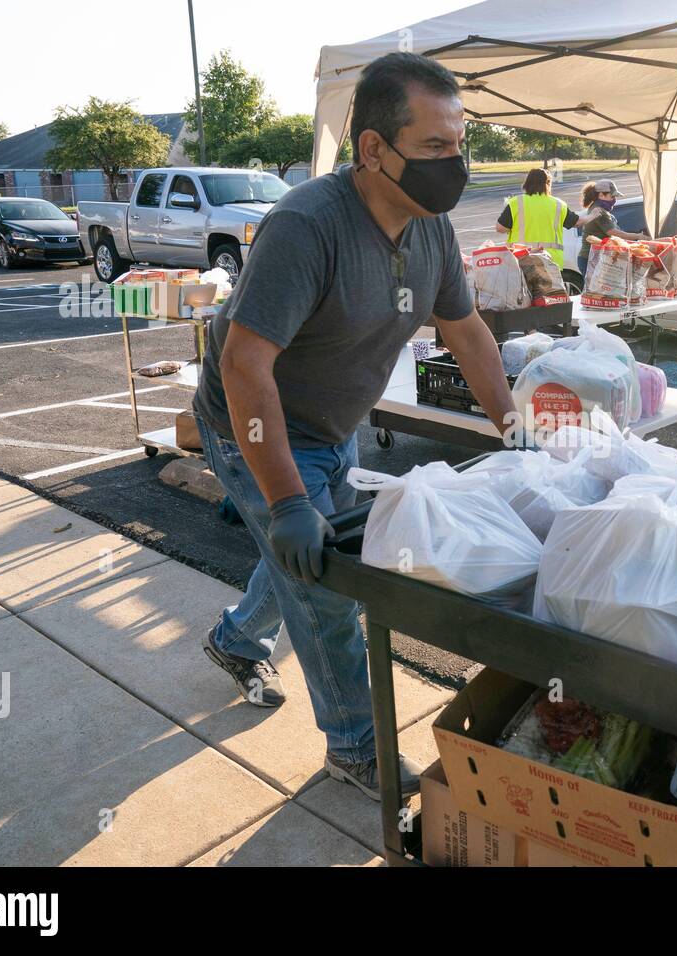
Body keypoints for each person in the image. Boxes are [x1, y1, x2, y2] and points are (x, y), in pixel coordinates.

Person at [190, 51, 516, 801]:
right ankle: (355, 748)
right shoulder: (307, 226)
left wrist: (514, 430)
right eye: (435, 146)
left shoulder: (431, 228)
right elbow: (245, 368)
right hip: (256, 425)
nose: (454, 162)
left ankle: (236, 639)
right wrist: (287, 500)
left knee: (308, 558)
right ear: (372, 149)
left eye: (459, 143)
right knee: (330, 590)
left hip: (332, 422)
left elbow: (467, 334)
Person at [494, 167, 589, 269]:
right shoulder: (558, 204)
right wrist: (593, 215)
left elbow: (500, 228)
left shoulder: (516, 202)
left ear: (527, 183)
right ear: (548, 184)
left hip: (521, 258)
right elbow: (577, 222)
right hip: (551, 260)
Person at [577, 179, 646, 275]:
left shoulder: (601, 210)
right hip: (590, 259)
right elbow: (614, 233)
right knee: (593, 290)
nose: (614, 200)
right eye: (612, 196)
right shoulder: (599, 211)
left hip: (597, 258)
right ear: (601, 195)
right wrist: (638, 236)